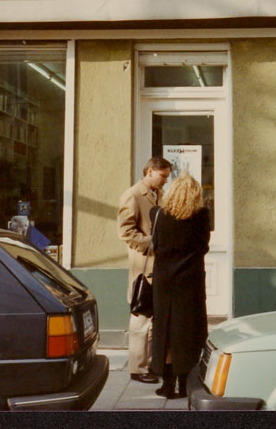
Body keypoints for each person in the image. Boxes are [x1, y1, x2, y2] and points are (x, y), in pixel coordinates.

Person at [149, 171, 211, 399]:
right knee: (187, 332)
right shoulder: (202, 216)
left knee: (164, 331)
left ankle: (167, 384)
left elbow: (155, 245)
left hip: (164, 282)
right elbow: (204, 247)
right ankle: (185, 383)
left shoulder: (156, 214)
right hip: (190, 282)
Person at [117, 156, 172, 384]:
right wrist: (152, 242)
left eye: (167, 177)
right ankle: (137, 369)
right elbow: (125, 232)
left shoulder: (159, 194)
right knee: (141, 317)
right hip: (143, 266)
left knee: (154, 318)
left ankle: (150, 365)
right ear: (149, 171)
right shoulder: (132, 195)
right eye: (162, 176)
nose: (165, 181)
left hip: (158, 266)